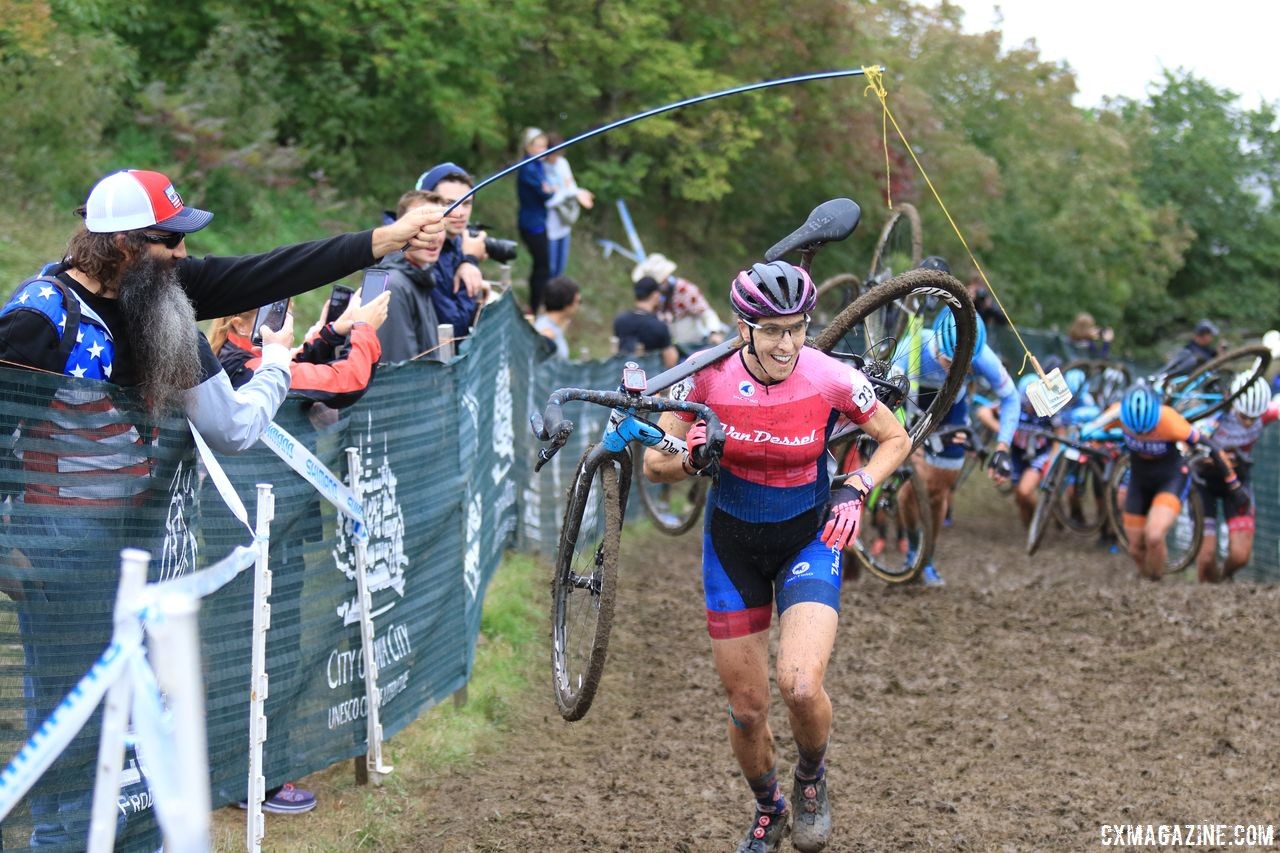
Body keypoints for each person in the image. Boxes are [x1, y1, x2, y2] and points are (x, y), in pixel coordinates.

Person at [0, 167, 442, 845]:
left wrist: (385, 240)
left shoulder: (160, 298)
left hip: (134, 554)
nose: (183, 256)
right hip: (59, 560)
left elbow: (267, 271)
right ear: (121, 245)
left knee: (133, 746)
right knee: (75, 750)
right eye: (169, 242)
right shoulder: (39, 317)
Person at [644, 260, 911, 853]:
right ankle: (770, 807)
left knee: (798, 684)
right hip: (732, 547)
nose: (787, 343)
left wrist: (858, 484)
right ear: (744, 328)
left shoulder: (830, 377)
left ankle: (811, 776)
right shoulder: (704, 378)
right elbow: (654, 465)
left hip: (808, 539)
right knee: (747, 708)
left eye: (797, 328)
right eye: (772, 330)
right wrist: (692, 456)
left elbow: (896, 438)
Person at [893, 309, 1019, 586]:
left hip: (951, 408)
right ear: (938, 346)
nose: (957, 370)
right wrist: (904, 438)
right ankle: (913, 548)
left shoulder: (984, 356)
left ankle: (927, 557)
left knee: (937, 492)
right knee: (908, 493)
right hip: (911, 403)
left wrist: (1002, 447)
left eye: (966, 366)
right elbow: (887, 401)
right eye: (950, 361)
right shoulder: (914, 347)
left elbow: (1011, 398)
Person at [1081, 382, 1215, 580]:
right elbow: (1090, 431)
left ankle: (1157, 583)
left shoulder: (1169, 418)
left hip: (1170, 477)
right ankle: (1146, 583)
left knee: (1154, 536)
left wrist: (1230, 480)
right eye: (1137, 432)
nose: (1143, 435)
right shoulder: (1117, 412)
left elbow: (1205, 443)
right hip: (1139, 480)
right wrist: (1096, 442)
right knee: (1135, 548)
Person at [1192, 375, 1279, 583]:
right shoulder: (1215, 418)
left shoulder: (1267, 413)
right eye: (1244, 416)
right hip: (1205, 482)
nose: (1249, 422)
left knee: (1241, 556)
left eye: (1254, 417)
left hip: (1238, 482)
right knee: (1205, 559)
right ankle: (1206, 598)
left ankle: (1225, 579)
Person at [415, 162, 491, 339]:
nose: (460, 212)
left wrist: (478, 295)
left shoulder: (457, 242)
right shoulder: (422, 249)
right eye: (450, 203)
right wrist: (470, 260)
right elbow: (452, 330)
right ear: (428, 203)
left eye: (467, 203)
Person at [376, 189, 449, 362]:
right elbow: (399, 372)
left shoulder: (420, 277)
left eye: (439, 226)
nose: (434, 237)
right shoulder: (392, 285)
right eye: (424, 227)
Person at [632, 252, 725, 349]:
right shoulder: (653, 297)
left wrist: (714, 332)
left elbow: (706, 313)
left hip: (695, 343)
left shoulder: (684, 289)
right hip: (671, 347)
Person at [543, 132, 594, 278]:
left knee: (561, 268)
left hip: (564, 223)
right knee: (550, 268)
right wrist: (567, 193)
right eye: (554, 154)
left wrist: (580, 193)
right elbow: (549, 200)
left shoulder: (563, 163)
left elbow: (571, 187)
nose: (556, 158)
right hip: (549, 225)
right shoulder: (542, 168)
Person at [515, 127, 554, 315]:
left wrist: (548, 189)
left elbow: (548, 189)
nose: (542, 150)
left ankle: (537, 303)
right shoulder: (528, 168)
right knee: (543, 266)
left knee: (542, 266)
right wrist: (547, 189)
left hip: (538, 220)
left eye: (544, 146)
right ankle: (534, 306)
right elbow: (544, 192)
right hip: (532, 224)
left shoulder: (538, 166)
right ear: (528, 147)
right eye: (538, 146)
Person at [613, 276, 679, 368]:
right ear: (655, 295)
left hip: (624, 373)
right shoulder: (658, 326)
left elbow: (616, 350)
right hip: (652, 377)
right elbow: (671, 361)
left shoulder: (620, 320)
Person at [534, 276, 581, 359]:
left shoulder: (552, 325)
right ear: (567, 304)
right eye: (577, 302)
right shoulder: (546, 333)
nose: (577, 306)